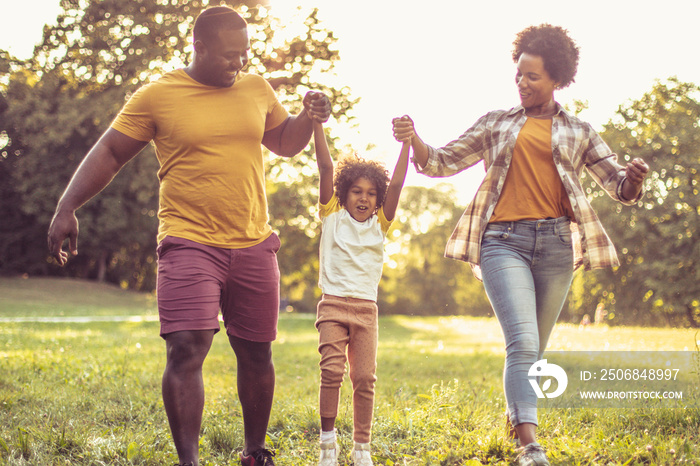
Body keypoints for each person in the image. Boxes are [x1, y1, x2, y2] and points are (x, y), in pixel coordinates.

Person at [46, 6, 331, 466]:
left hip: (254, 241)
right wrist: (67, 206)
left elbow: (285, 142)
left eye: (244, 54)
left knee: (257, 352)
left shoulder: (257, 88)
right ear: (197, 46)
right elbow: (110, 151)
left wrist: (308, 115)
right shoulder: (159, 95)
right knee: (186, 346)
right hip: (188, 240)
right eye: (229, 55)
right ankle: (189, 461)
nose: (239, 64)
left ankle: (255, 452)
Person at [392, 24, 649, 466]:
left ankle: (515, 416)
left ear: (557, 80)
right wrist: (413, 138)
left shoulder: (580, 131)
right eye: (518, 75)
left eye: (532, 76)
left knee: (534, 351)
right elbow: (441, 161)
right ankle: (530, 446)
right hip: (501, 242)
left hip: (556, 246)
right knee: (524, 344)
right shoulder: (497, 123)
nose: (522, 84)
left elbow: (617, 186)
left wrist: (634, 178)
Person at [312, 117, 410, 466]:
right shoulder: (331, 216)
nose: (364, 198)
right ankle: (327, 445)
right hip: (333, 306)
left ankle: (361, 448)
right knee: (332, 371)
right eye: (357, 191)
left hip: (367, 311)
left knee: (364, 377)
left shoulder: (379, 224)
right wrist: (315, 124)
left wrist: (407, 143)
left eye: (371, 193)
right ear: (344, 192)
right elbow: (325, 166)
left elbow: (397, 184)